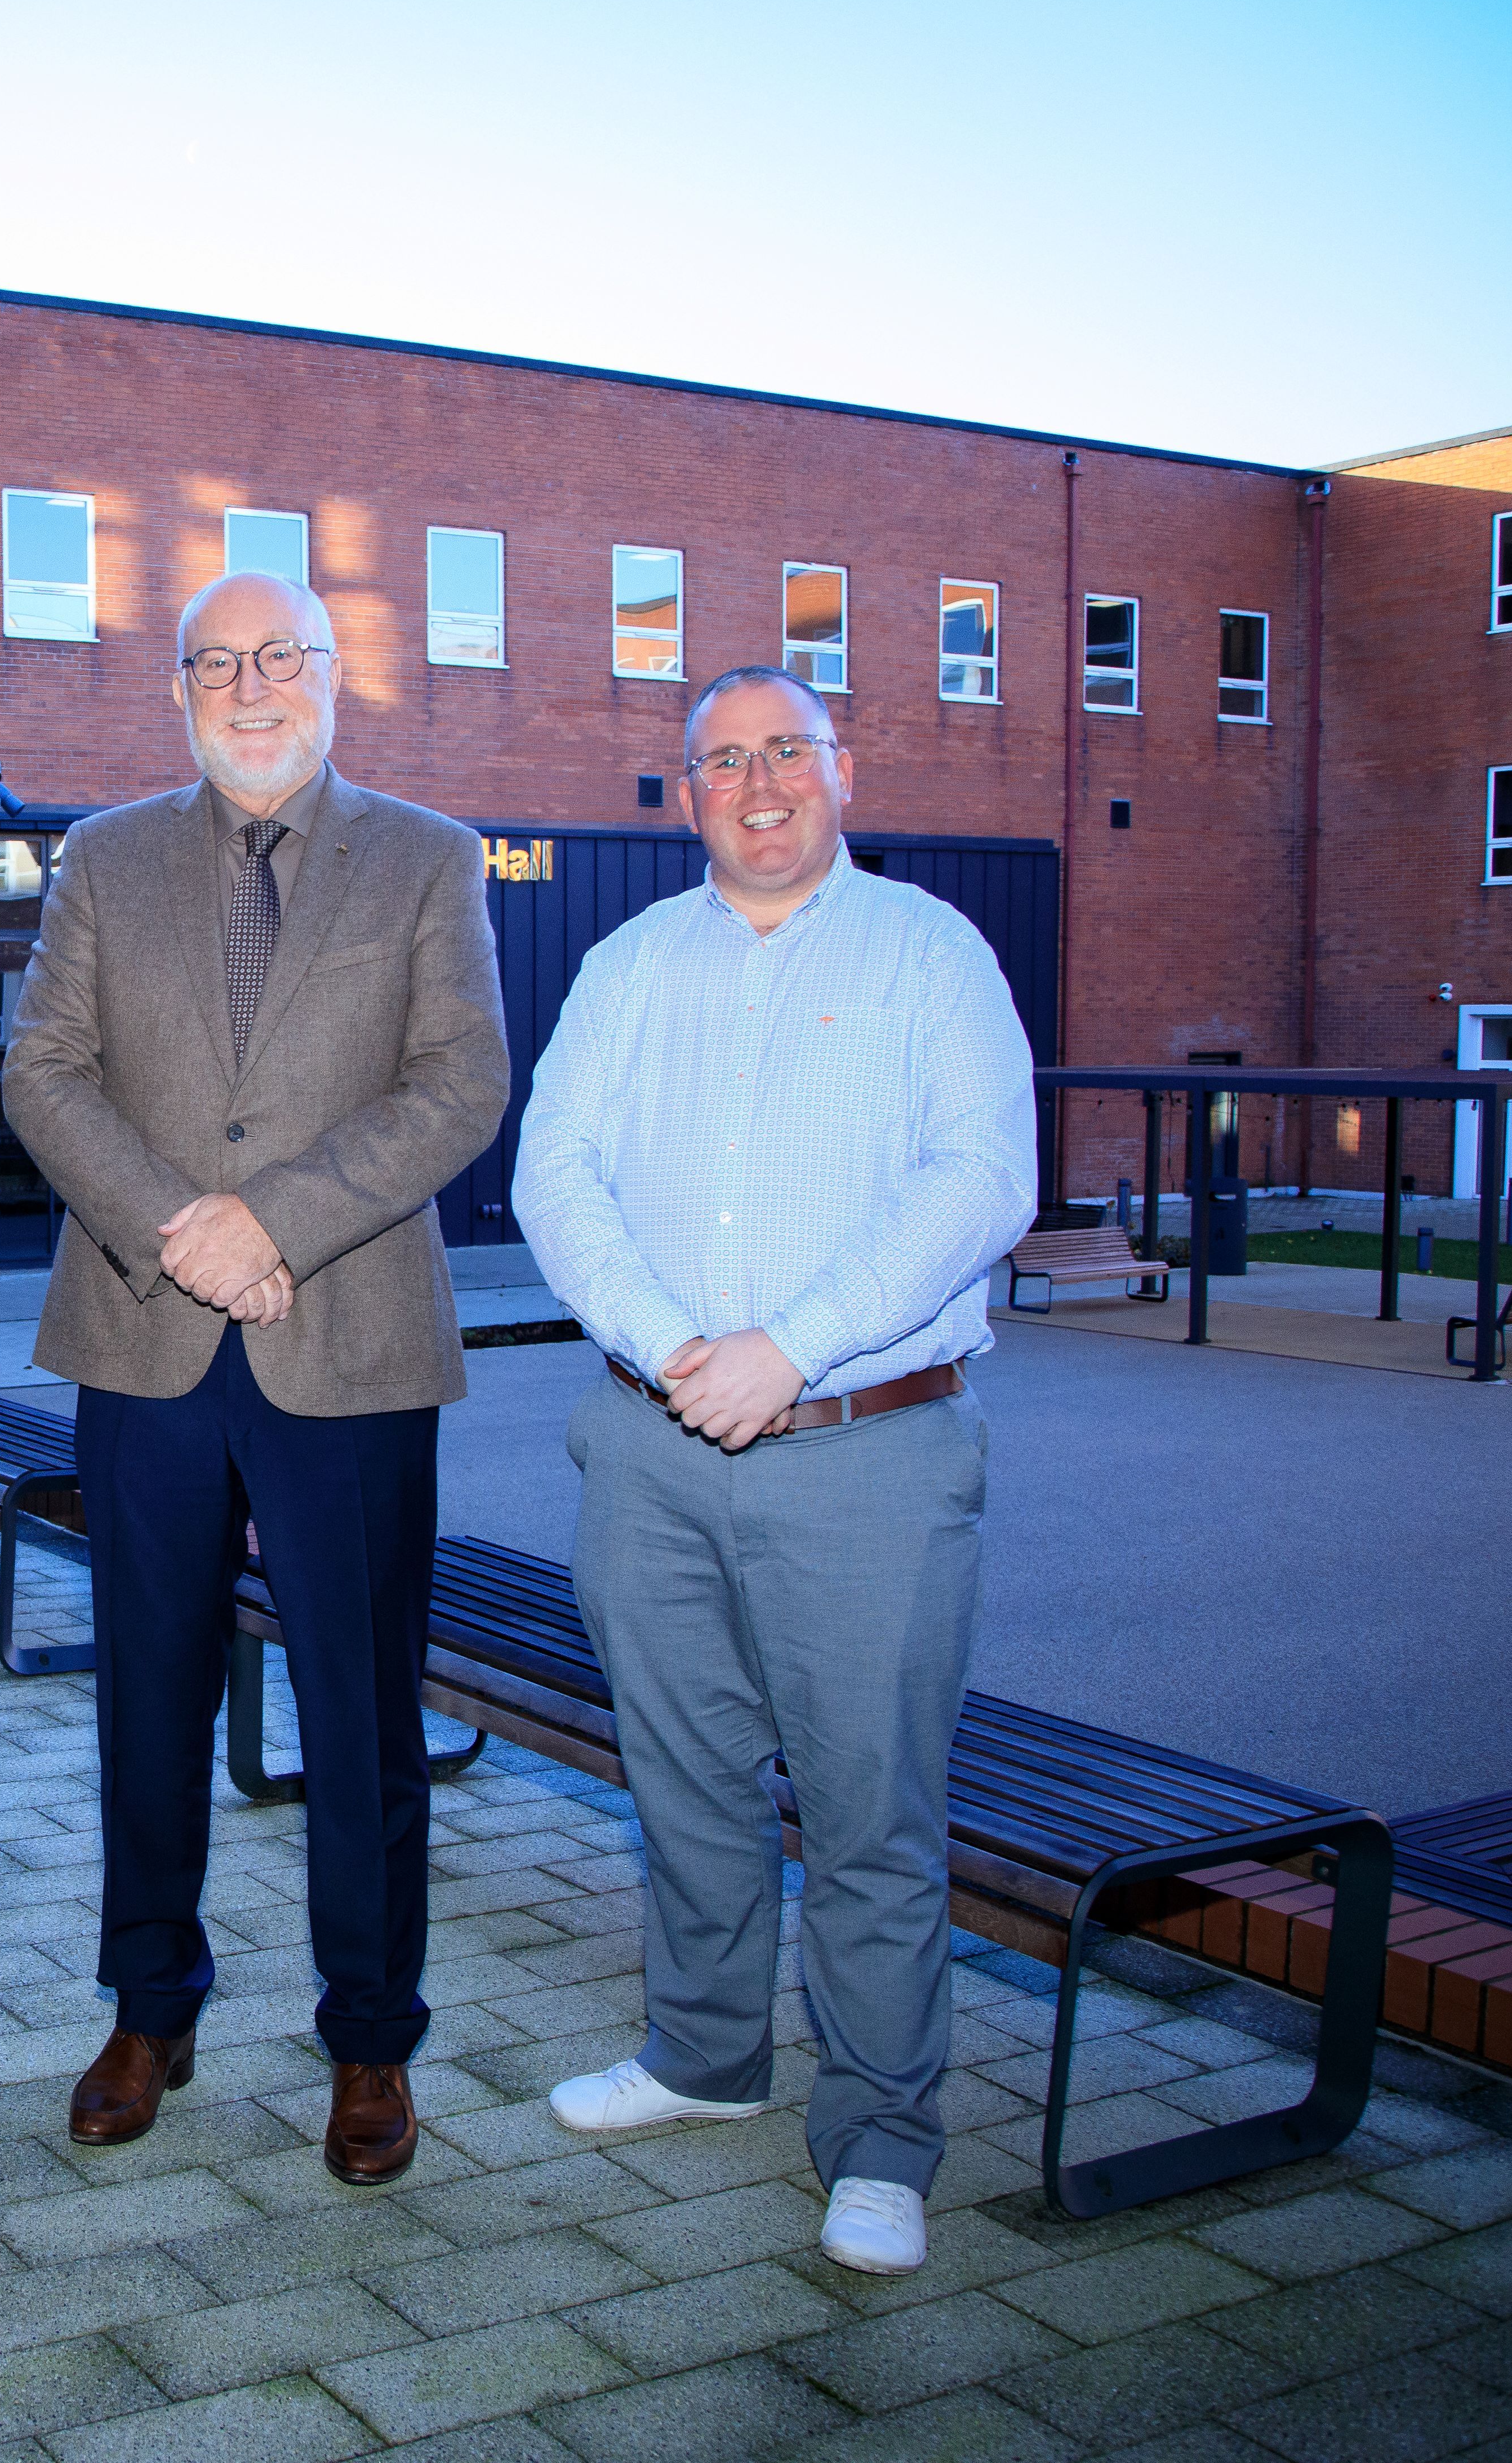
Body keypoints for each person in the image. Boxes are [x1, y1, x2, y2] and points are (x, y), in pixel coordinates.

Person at [511, 663, 1035, 2277]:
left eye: (785, 753)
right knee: (683, 1785)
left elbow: (982, 1181)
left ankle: (880, 2139)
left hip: (867, 1449)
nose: (756, 784)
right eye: (720, 760)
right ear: (685, 794)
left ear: (844, 770)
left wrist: (788, 1346)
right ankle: (706, 2060)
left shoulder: (932, 955)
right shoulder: (628, 964)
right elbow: (556, 1169)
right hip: (651, 1444)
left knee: (873, 1815)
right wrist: (677, 1344)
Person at [3, 573, 510, 2187]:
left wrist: (269, 1223)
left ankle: (370, 2036)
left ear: (334, 675)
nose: (250, 684)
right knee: (144, 1698)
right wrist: (182, 1232)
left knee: (360, 1716)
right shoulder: (106, 858)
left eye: (279, 655)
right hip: (145, 1345)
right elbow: (46, 1073)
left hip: (346, 1341)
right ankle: (151, 2004)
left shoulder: (428, 857)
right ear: (177, 691)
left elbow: (463, 1084)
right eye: (216, 661)